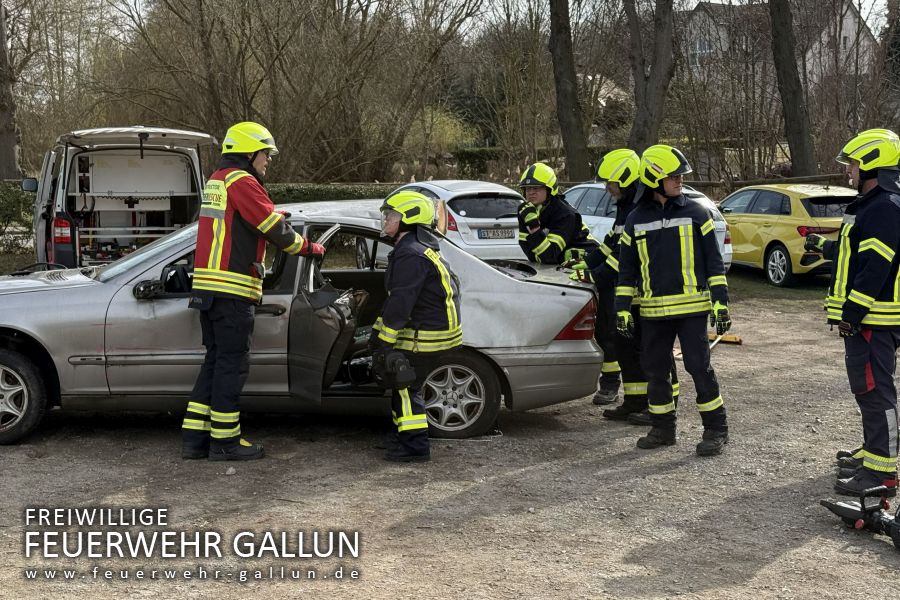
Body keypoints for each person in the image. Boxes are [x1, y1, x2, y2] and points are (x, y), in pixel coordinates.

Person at [182, 121, 325, 461]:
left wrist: (271, 214)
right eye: (265, 153)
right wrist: (310, 248)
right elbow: (275, 230)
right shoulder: (243, 181)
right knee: (232, 367)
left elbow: (241, 223)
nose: (268, 161)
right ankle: (226, 443)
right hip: (232, 291)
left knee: (216, 363)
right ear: (249, 153)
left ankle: (194, 439)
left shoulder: (219, 180)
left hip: (210, 290)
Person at [615, 144, 731, 456]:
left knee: (698, 367)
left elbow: (714, 264)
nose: (680, 179)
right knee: (655, 371)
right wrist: (622, 308)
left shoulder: (697, 212)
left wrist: (720, 302)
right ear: (654, 178)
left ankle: (716, 429)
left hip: (692, 310)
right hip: (653, 313)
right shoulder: (635, 220)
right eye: (673, 175)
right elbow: (627, 270)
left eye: (681, 175)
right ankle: (663, 428)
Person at [805, 128, 900, 497]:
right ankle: (872, 454)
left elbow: (876, 267)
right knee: (867, 390)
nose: (849, 171)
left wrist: (853, 312)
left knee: (876, 392)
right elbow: (857, 255)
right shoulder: (875, 205)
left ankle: (882, 472)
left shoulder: (881, 207)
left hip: (874, 318)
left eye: (854, 164)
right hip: (871, 318)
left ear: (872, 165)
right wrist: (826, 248)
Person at [569, 149, 680, 425]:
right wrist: (584, 264)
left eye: (611, 182)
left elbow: (625, 258)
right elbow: (609, 244)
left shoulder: (641, 209)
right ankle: (634, 401)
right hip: (628, 295)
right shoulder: (624, 208)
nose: (607, 188)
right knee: (625, 347)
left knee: (653, 350)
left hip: (649, 294)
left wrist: (597, 276)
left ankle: (665, 404)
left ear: (627, 180)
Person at [516, 162, 621, 403]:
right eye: (527, 189)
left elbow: (549, 254)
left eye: (536, 188)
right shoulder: (528, 211)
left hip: (596, 271)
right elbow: (534, 254)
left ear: (550, 190)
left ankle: (610, 384)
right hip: (568, 276)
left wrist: (534, 228)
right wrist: (534, 229)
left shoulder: (563, 213)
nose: (530, 193)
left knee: (605, 330)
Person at [371, 190, 462, 462]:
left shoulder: (410, 254)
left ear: (409, 219)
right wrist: (378, 332)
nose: (386, 220)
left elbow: (402, 302)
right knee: (404, 385)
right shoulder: (416, 247)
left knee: (405, 385)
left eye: (391, 216)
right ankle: (403, 436)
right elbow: (397, 302)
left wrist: (384, 341)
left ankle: (414, 446)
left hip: (427, 337)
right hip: (434, 332)